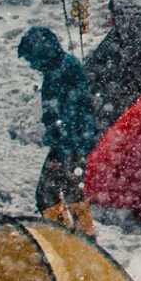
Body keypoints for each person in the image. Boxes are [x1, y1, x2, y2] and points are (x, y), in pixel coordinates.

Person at [17, 25, 99, 234]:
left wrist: (61, 154)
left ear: (41, 53)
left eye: (31, 59)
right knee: (71, 192)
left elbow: (75, 117)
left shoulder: (63, 72)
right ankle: (83, 239)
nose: (32, 66)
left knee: (47, 195)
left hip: (71, 146)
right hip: (73, 144)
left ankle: (69, 239)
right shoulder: (59, 69)